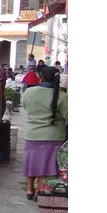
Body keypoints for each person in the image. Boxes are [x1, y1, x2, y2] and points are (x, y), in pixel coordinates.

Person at [22, 66, 69, 200]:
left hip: (32, 135)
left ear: (40, 77)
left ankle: (29, 190)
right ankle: (39, 191)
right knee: (46, 165)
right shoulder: (62, 96)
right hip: (53, 137)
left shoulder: (29, 92)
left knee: (32, 162)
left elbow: (25, 107)